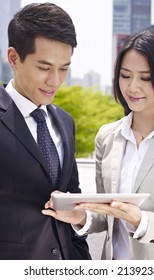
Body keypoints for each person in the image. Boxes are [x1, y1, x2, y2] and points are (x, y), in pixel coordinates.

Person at [43, 30, 154, 260]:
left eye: (146, 78)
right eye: (125, 75)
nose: (133, 87)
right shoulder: (107, 136)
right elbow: (108, 215)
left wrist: (141, 220)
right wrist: (81, 216)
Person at [0, 2, 91, 260]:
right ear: (14, 58)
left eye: (64, 68)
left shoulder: (65, 121)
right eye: (44, 67)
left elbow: (73, 198)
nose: (55, 81)